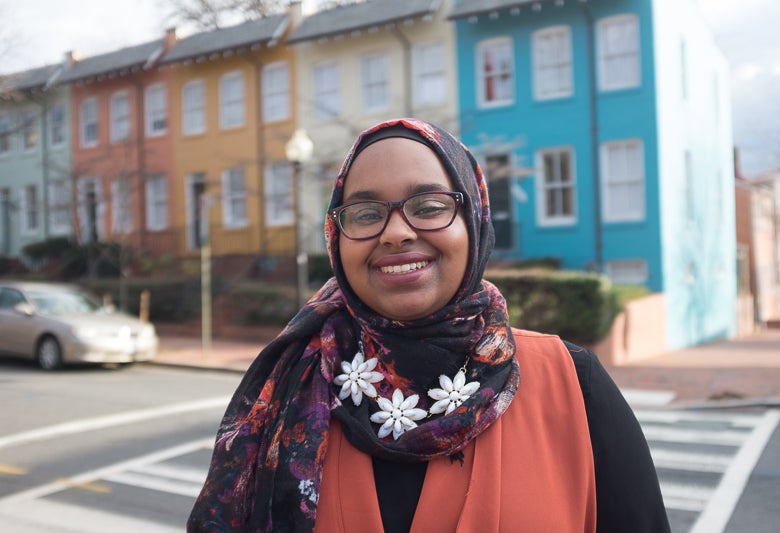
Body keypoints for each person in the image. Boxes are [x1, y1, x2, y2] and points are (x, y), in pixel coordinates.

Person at [187, 118, 671, 532]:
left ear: (474, 220)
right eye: (366, 213)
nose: (396, 232)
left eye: (430, 206)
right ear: (337, 236)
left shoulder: (573, 383)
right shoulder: (295, 384)